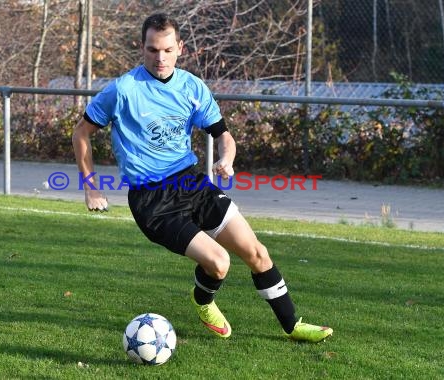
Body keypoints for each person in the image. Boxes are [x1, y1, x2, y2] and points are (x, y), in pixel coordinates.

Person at [72, 12, 333, 343]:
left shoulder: (192, 87)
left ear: (180, 47)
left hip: (191, 184)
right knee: (220, 262)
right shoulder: (122, 90)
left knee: (256, 252)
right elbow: (81, 133)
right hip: (152, 201)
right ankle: (203, 301)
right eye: (152, 49)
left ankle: (293, 326)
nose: (160, 57)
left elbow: (223, 135)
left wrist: (227, 158)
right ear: (141, 47)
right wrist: (91, 188)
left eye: (167, 49)